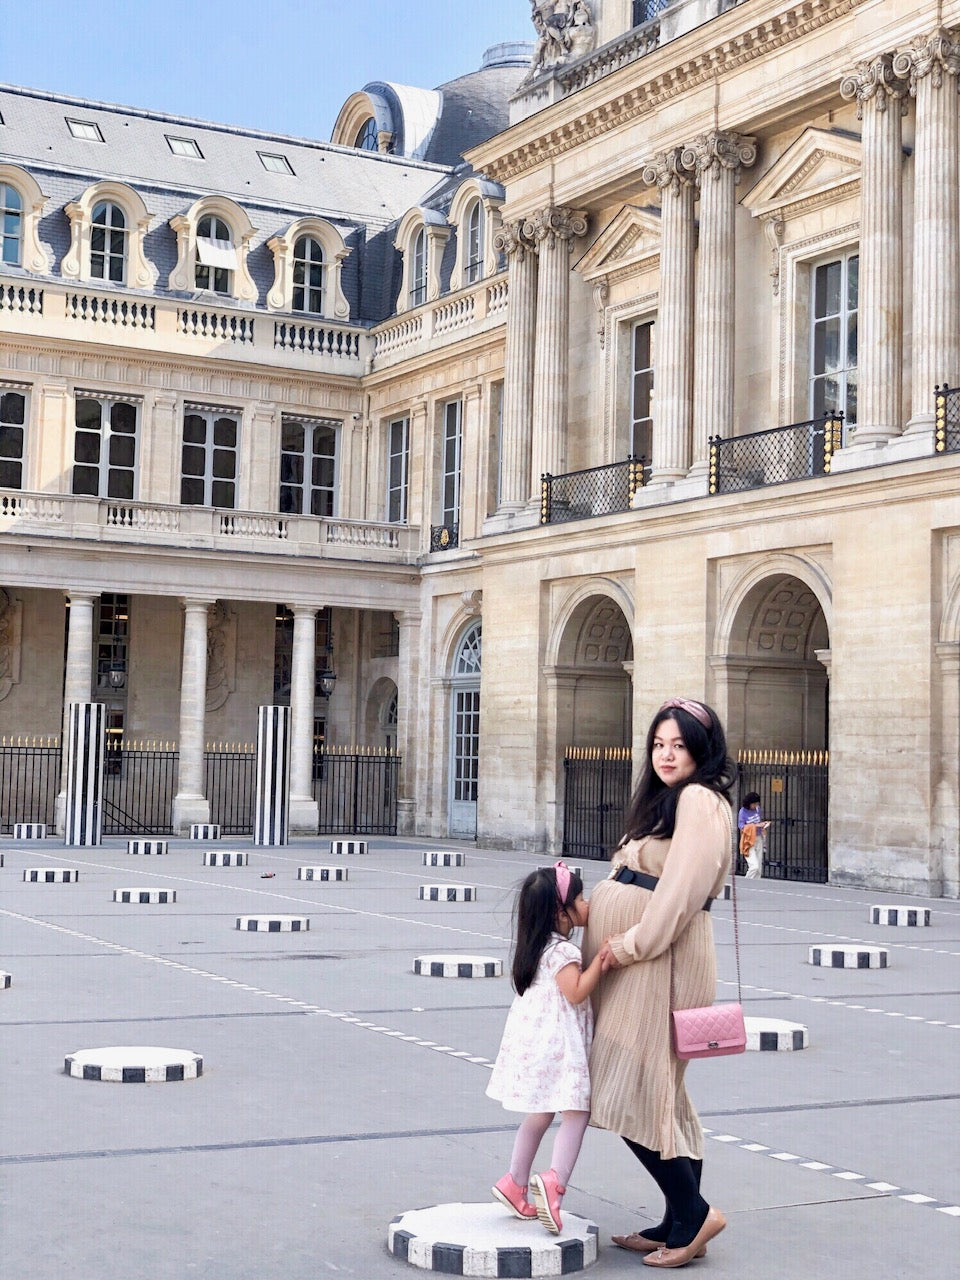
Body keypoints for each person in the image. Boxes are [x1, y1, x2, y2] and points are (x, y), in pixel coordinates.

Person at [583, 698, 734, 1269]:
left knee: (625, 1086)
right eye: (659, 745)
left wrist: (628, 945)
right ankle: (677, 1220)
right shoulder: (671, 802)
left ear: (702, 748)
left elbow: (678, 896)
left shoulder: (699, 800)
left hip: (659, 961)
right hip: (646, 963)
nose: (667, 755)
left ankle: (696, 1215)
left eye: (679, 744)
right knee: (663, 1093)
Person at [487, 861, 606, 1234]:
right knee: (576, 1110)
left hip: (535, 1041)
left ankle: (514, 1181)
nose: (587, 906)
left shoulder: (536, 946)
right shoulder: (563, 953)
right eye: (581, 899)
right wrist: (601, 962)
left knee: (539, 1113)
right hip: (560, 1043)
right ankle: (554, 1182)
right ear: (561, 912)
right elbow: (575, 992)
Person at [737, 792, 770, 880]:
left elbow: (759, 821)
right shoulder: (743, 812)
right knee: (754, 866)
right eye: (754, 804)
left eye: (757, 804)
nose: (756, 805)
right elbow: (741, 826)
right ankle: (746, 882)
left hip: (759, 838)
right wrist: (756, 826)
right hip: (748, 840)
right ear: (749, 803)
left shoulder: (758, 810)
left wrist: (763, 825)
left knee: (759, 867)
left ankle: (756, 884)